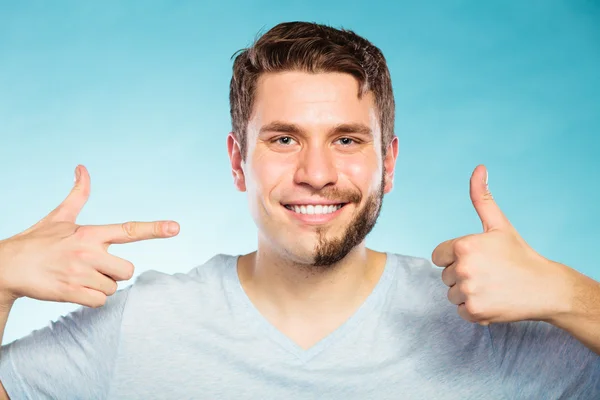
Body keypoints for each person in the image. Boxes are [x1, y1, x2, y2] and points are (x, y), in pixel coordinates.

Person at [0, 21, 599, 399]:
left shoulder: (491, 333)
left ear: (389, 160)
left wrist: (568, 294)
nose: (317, 174)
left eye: (346, 139)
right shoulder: (140, 327)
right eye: (284, 139)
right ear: (238, 162)